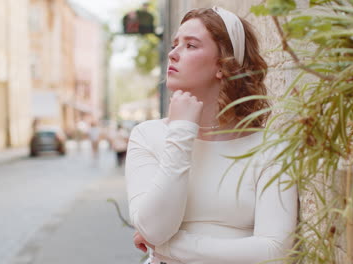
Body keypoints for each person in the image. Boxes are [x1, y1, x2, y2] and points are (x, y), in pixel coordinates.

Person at [125, 7, 298, 264]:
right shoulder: (147, 136)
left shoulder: (270, 147)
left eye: (190, 46)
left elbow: (275, 252)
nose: (173, 54)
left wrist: (170, 247)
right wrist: (182, 132)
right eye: (175, 45)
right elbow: (154, 228)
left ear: (223, 64)